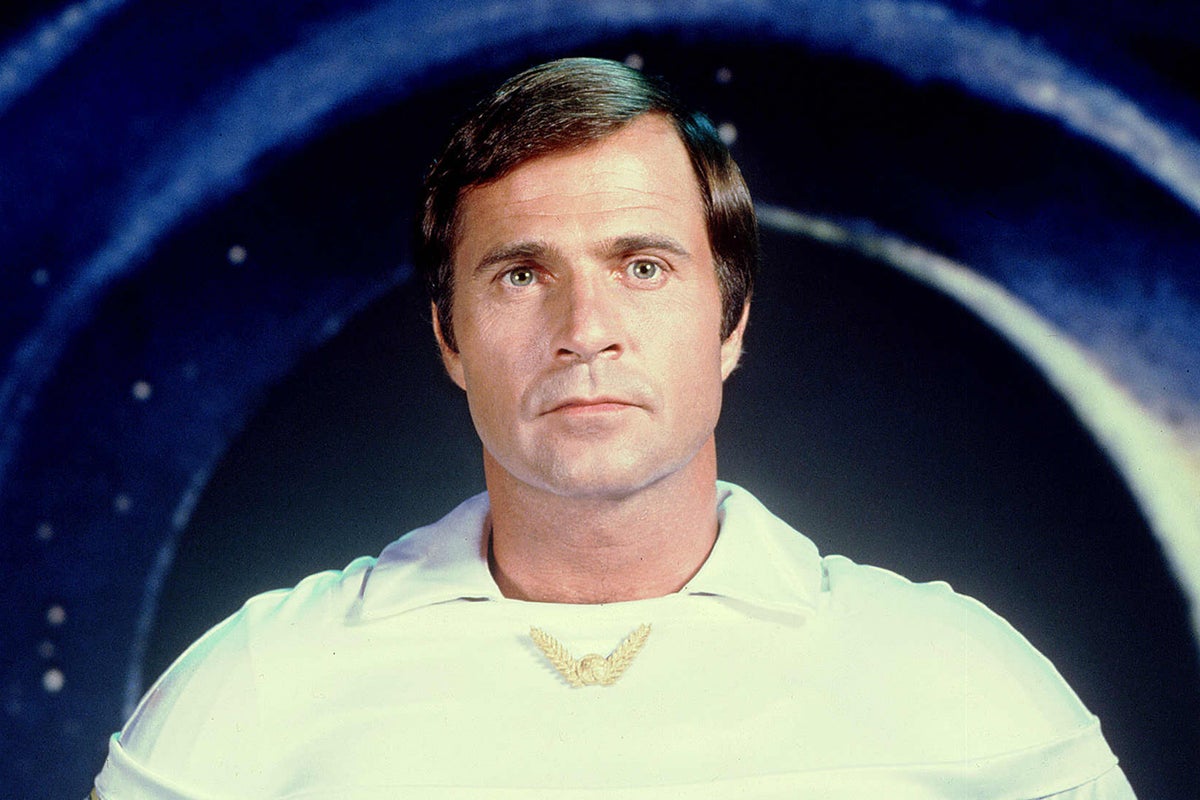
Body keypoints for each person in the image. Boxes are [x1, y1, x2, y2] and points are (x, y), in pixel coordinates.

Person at [92, 57, 1134, 798]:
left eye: (643, 266)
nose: (584, 329)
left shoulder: (961, 682)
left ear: (730, 321)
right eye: (521, 274)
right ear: (449, 336)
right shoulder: (247, 698)